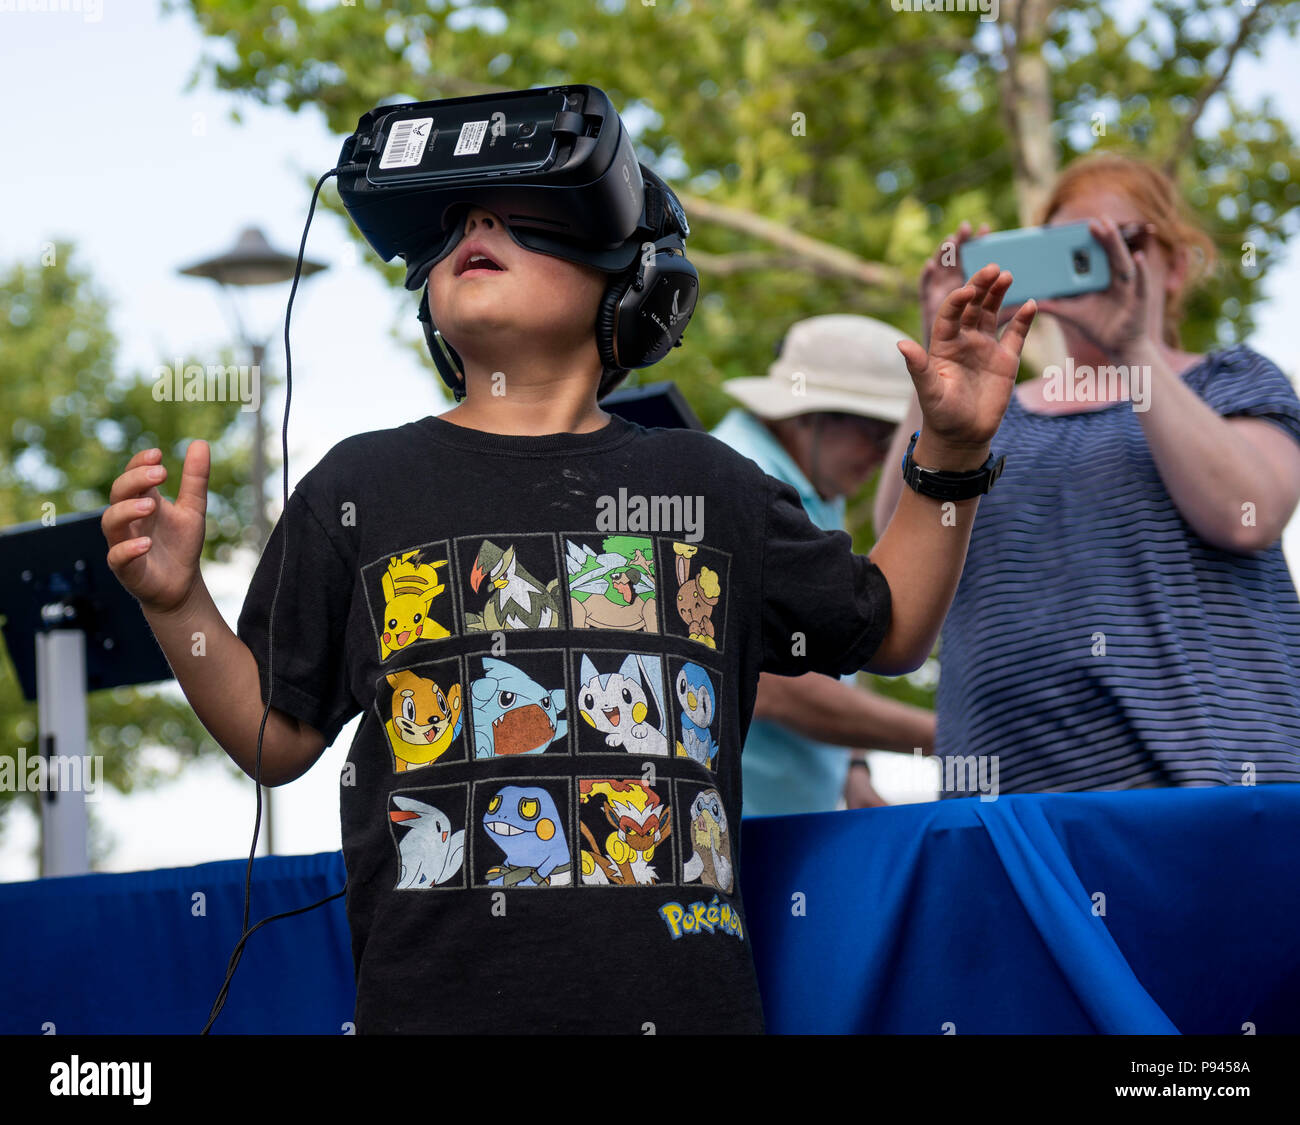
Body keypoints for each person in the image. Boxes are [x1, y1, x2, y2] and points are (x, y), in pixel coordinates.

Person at [102, 172, 1035, 1031]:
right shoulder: (361, 483)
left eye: (529, 214)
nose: (479, 225)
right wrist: (178, 605)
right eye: (459, 220)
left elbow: (894, 626)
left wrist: (950, 455)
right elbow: (272, 738)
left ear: (631, 285)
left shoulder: (712, 485)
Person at [876, 151, 1300, 795]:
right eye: (1074, 246)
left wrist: (1134, 352)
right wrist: (943, 375)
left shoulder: (1231, 380)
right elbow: (900, 558)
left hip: (1208, 796)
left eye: (1124, 243)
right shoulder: (993, 413)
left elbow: (1247, 515)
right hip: (1006, 811)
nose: (1099, 266)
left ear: (1176, 267)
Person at [711, 315, 936, 815]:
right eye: (877, 433)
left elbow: (831, 645)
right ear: (808, 414)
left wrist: (854, 767)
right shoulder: (740, 482)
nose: (885, 456)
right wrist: (952, 736)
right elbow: (774, 689)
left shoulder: (808, 485)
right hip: (734, 832)